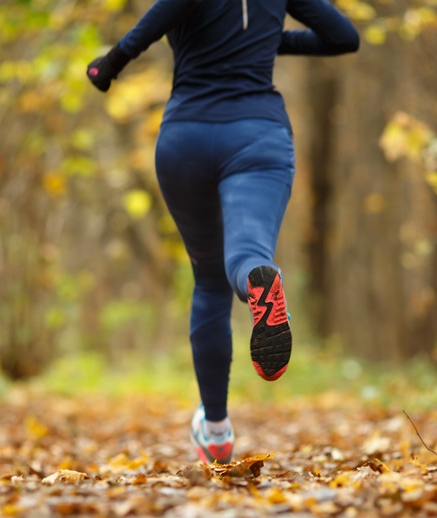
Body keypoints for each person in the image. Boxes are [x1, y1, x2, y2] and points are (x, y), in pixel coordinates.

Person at [87, 0, 360, 463]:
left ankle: (215, 430)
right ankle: (260, 277)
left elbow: (155, 21)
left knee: (209, 280)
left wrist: (110, 63)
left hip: (186, 138)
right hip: (257, 136)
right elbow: (343, 37)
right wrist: (268, 41)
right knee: (248, 253)